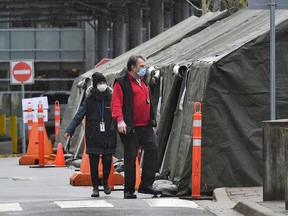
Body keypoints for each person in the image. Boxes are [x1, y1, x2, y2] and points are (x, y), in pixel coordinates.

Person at [111, 55, 161, 199]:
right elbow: (116, 104)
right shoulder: (121, 82)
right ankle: (129, 189)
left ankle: (146, 185)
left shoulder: (143, 82)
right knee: (131, 157)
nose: (144, 68)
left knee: (153, 149)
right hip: (130, 126)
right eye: (142, 66)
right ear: (133, 67)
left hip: (145, 125)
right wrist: (120, 121)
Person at [64, 72, 117, 198]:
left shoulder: (112, 97)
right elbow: (78, 116)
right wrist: (70, 130)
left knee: (107, 161)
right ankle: (95, 187)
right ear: (94, 85)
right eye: (99, 83)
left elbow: (120, 112)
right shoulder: (89, 100)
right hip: (93, 135)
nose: (102, 85)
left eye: (104, 83)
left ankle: (105, 182)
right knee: (93, 163)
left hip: (109, 134)